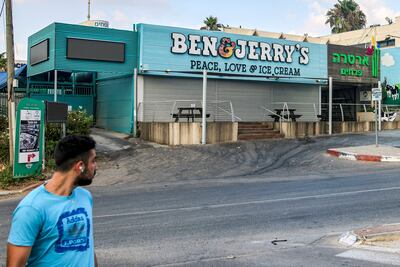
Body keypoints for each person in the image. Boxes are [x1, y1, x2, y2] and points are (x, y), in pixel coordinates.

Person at [7, 135, 98, 267]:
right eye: (93, 161)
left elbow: (86, 246)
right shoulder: (31, 209)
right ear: (80, 166)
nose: (96, 166)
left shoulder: (85, 197)